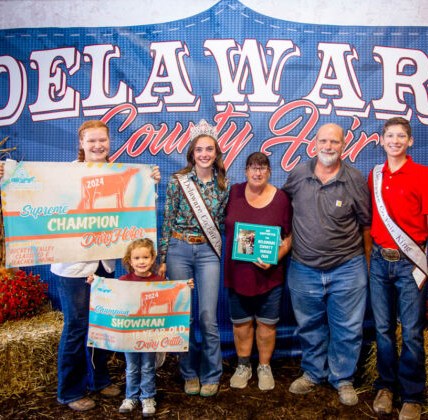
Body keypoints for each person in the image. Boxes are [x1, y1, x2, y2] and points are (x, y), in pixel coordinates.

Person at [0, 120, 160, 411]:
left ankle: (99, 381)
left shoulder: (120, 173)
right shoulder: (64, 175)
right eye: (91, 141)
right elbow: (32, 191)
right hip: (73, 266)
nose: (97, 146)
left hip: (105, 262)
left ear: (109, 142)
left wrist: (149, 182)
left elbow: (138, 206)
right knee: (77, 326)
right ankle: (70, 391)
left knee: (102, 323)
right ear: (81, 144)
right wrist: (5, 177)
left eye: (102, 140)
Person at [282, 123, 371, 406]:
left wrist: (367, 264)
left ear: (344, 145)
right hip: (303, 266)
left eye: (334, 142)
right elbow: (281, 210)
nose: (328, 146)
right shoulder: (298, 174)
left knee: (348, 327)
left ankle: (343, 378)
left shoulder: (355, 179)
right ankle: (313, 373)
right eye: (323, 141)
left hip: (347, 266)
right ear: (314, 143)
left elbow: (366, 225)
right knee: (309, 325)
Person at [368, 117, 428, 420]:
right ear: (382, 140)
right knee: (383, 329)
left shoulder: (422, 174)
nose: (395, 141)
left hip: (411, 263)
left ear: (410, 141)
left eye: (401, 136)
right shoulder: (375, 175)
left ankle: (412, 395)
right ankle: (386, 387)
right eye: (390, 135)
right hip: (378, 261)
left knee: (411, 331)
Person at [157, 120, 230, 397]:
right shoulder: (178, 181)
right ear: (192, 153)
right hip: (179, 249)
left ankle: (212, 374)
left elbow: (224, 223)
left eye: (209, 149)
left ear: (216, 153)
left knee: (208, 317)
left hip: (208, 253)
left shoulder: (224, 185)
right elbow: (168, 219)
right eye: (199, 149)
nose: (204, 154)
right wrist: (162, 257)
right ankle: (189, 373)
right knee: (184, 317)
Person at [87, 238, 194, 417]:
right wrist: (95, 283)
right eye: (136, 258)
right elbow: (111, 293)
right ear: (130, 261)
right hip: (129, 335)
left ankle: (148, 397)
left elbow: (173, 293)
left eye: (145, 257)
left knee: (147, 366)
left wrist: (185, 287)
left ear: (152, 259)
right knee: (131, 367)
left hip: (149, 335)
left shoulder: (159, 281)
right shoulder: (123, 280)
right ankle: (130, 397)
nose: (141, 262)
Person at [223, 152, 292, 391]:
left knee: (267, 324)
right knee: (241, 323)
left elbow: (289, 237)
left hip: (269, 275)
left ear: (270, 172)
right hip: (238, 273)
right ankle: (243, 365)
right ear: (245, 171)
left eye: (262, 168)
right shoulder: (233, 193)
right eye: (253, 167)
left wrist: (276, 258)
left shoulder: (281, 198)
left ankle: (264, 366)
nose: (258, 172)